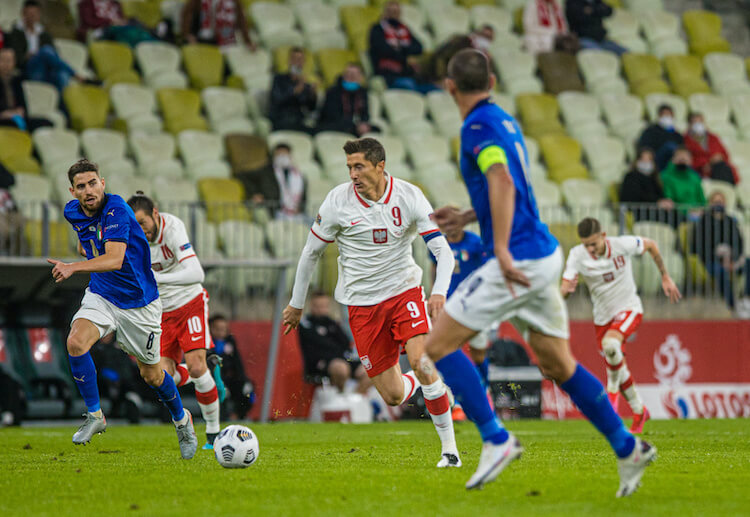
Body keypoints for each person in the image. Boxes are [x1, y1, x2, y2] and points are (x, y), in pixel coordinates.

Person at [425, 48, 654, 495]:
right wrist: (468, 219)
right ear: (490, 81)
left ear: (450, 87)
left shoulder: (476, 127)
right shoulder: (504, 120)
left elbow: (504, 182)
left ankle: (495, 439)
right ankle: (627, 446)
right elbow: (511, 181)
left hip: (520, 257)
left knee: (433, 348)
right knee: (557, 363)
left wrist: (501, 250)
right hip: (544, 253)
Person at [281, 137, 461, 468]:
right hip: (362, 307)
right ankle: (432, 387)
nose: (353, 174)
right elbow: (310, 254)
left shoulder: (409, 196)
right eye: (349, 167)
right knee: (392, 393)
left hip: (404, 292)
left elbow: (442, 251)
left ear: (380, 166)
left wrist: (439, 292)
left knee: (421, 362)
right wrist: (297, 303)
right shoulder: (337, 201)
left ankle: (449, 451)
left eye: (359, 166)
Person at [50, 159, 197, 457]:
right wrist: (86, 251)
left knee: (152, 375)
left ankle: (182, 420)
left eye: (93, 183)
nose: (88, 190)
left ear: (102, 183)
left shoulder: (117, 209)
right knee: (76, 342)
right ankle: (95, 417)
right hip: (102, 294)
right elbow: (86, 240)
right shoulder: (72, 211)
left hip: (139, 303)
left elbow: (115, 259)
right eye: (81, 186)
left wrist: (74, 267)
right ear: (72, 190)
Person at [561, 217, 681, 432]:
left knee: (610, 346)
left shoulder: (621, 244)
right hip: (602, 318)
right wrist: (566, 292)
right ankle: (639, 410)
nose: (590, 249)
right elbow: (564, 289)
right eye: (585, 244)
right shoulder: (577, 255)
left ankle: (611, 395)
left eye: (593, 244)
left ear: (603, 236)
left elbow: (651, 245)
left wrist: (665, 277)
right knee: (617, 362)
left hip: (629, 309)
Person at [127, 192, 222, 450]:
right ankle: (200, 371)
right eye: (135, 225)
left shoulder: (173, 227)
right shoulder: (132, 239)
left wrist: (158, 281)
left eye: (143, 223)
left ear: (155, 214)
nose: (141, 230)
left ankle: (213, 434)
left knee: (195, 365)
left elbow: (196, 272)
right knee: (158, 378)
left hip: (189, 303)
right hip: (160, 313)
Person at [691, 191, 750, 315]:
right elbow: (698, 245)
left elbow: (739, 242)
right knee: (720, 271)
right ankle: (733, 306)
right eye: (715, 201)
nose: (718, 204)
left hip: (731, 260)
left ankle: (746, 299)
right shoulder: (703, 221)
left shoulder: (731, 221)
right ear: (710, 203)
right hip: (710, 260)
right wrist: (717, 256)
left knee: (748, 264)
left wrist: (733, 259)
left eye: (721, 201)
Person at [298, 291, 369, 394]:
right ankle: (341, 396)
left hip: (343, 358)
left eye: (324, 306)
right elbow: (320, 344)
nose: (321, 309)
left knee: (371, 371)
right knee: (341, 369)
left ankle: (355, 397)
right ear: (311, 306)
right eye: (318, 306)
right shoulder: (306, 324)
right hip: (320, 362)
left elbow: (346, 342)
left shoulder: (332, 323)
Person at [5, 0, 81, 92]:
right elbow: (16, 57)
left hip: (45, 68)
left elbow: (54, 54)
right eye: (29, 14)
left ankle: (62, 104)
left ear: (39, 15)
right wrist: (31, 56)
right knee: (45, 50)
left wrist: (38, 54)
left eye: (35, 14)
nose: (32, 17)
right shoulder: (15, 33)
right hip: (29, 68)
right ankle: (75, 75)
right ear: (23, 13)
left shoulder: (44, 34)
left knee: (61, 74)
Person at [368, 1, 430, 92]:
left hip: (407, 75)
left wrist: (400, 50)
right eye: (391, 12)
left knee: (435, 89)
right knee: (409, 85)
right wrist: (405, 57)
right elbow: (383, 50)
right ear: (385, 12)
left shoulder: (404, 30)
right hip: (388, 75)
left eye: (396, 12)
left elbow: (418, 47)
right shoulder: (377, 29)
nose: (394, 15)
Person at [209, 314, 255, 420]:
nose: (220, 332)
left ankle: (238, 416)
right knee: (222, 393)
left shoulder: (230, 342)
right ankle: (222, 419)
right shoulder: (207, 344)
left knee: (247, 390)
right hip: (213, 380)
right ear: (211, 328)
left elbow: (238, 364)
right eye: (217, 329)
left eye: (223, 329)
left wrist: (245, 381)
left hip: (229, 379)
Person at [245, 143, 307, 219]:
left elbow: (303, 198)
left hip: (297, 213)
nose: (282, 157)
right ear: (274, 156)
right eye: (279, 155)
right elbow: (245, 177)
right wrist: (254, 193)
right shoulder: (266, 172)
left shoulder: (299, 175)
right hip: (276, 212)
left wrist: (300, 208)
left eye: (284, 154)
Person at [0, 48, 52, 132]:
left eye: (9, 61)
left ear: (14, 63)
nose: (6, 64)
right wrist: (4, 114)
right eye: (3, 60)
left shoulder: (17, 80)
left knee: (47, 123)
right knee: (13, 124)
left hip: (17, 116)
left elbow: (23, 104)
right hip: (3, 118)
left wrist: (21, 111)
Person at [619, 148, 675, 224]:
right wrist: (657, 202)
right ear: (636, 161)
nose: (646, 162)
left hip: (655, 212)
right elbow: (633, 195)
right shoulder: (630, 177)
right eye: (642, 159)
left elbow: (660, 196)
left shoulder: (655, 179)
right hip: (639, 213)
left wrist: (666, 202)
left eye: (649, 160)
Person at [318, 63, 375, 137]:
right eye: (348, 74)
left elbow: (365, 114)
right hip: (334, 124)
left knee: (376, 129)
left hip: (354, 126)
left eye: (353, 75)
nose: (350, 77)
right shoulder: (333, 91)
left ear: (360, 78)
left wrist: (363, 124)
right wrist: (354, 126)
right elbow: (331, 115)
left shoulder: (362, 93)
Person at [269, 47, 317, 133]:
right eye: (295, 59)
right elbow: (276, 100)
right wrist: (294, 91)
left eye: (301, 60)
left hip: (298, 121)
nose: (298, 63)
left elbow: (311, 108)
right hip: (281, 119)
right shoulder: (279, 79)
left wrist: (312, 94)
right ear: (289, 61)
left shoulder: (305, 84)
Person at [683, 112, 738, 185]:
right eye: (695, 122)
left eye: (700, 122)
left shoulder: (713, 137)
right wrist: (708, 162)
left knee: (723, 167)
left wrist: (719, 157)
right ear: (689, 125)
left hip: (720, 167)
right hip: (701, 171)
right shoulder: (686, 140)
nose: (698, 125)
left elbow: (724, 154)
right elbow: (688, 159)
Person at [181, 0, 254, 49]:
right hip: (202, 39)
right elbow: (187, 13)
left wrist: (248, 41)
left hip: (225, 40)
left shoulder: (234, 2)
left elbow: (242, 20)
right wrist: (187, 34)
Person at [637, 104, 684, 172]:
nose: (667, 117)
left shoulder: (677, 135)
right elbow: (644, 148)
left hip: (674, 161)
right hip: (656, 160)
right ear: (659, 116)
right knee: (670, 146)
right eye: (664, 115)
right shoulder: (650, 131)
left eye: (669, 115)